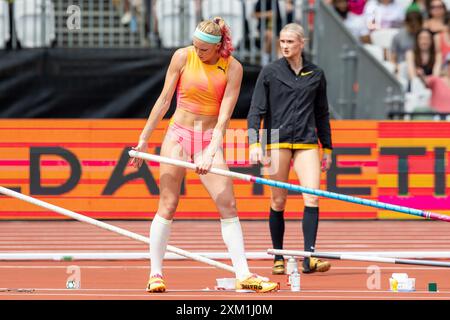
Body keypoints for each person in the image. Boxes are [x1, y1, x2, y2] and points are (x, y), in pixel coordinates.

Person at [129, 17, 278, 293]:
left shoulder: (233, 68)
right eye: (195, 47)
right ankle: (156, 274)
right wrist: (143, 140)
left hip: (208, 137)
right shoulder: (182, 56)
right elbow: (163, 100)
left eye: (203, 49)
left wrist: (210, 151)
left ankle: (243, 273)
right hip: (178, 134)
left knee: (228, 205)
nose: (198, 52)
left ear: (220, 46)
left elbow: (225, 116)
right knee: (168, 204)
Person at [247, 23, 333, 275]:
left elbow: (322, 113)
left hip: (307, 141)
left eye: (290, 42)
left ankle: (309, 256)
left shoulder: (316, 74)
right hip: (276, 140)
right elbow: (256, 110)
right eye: (282, 41)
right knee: (278, 200)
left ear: (301, 43)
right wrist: (254, 142)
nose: (285, 46)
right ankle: (278, 255)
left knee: (312, 195)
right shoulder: (270, 72)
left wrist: (327, 147)